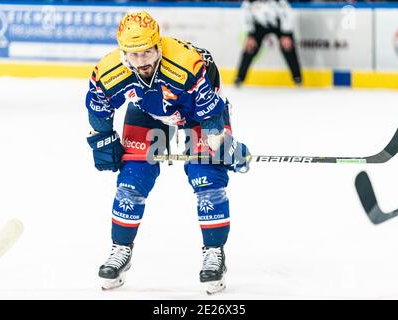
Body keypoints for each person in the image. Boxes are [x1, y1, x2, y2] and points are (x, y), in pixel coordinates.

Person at [85, 10, 251, 294]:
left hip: (196, 112)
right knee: (131, 181)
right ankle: (120, 250)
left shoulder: (188, 65)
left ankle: (214, 254)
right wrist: (103, 139)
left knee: (207, 179)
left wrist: (223, 145)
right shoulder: (109, 72)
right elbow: (98, 107)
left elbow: (210, 113)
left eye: (147, 52)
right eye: (134, 55)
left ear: (158, 46)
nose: (142, 61)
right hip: (147, 110)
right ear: (123, 52)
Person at [235, 0, 302, 87]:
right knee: (249, 48)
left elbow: (287, 14)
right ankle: (240, 78)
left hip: (279, 25)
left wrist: (286, 34)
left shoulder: (280, 2)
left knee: (287, 47)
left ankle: (297, 77)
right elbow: (245, 16)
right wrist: (250, 34)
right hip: (259, 26)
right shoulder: (249, 2)